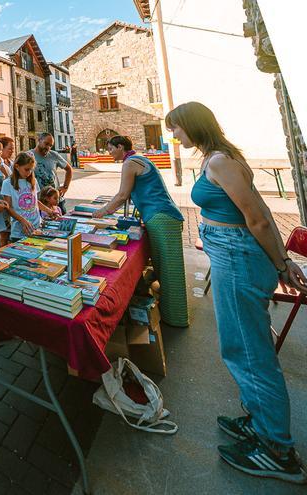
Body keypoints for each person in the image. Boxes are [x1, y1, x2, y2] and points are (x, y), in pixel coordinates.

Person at [167, 101, 307, 484]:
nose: (173, 135)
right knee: (243, 344)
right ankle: (260, 421)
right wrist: (282, 260)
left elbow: (258, 216)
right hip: (232, 252)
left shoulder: (218, 162)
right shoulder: (217, 157)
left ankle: (278, 450)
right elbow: (256, 210)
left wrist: (282, 264)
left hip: (237, 255)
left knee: (248, 351)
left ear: (193, 126)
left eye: (176, 128)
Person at [92, 135, 189, 327]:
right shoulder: (139, 159)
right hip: (162, 216)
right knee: (164, 267)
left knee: (169, 270)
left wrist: (102, 212)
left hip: (160, 216)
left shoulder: (130, 163)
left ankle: (176, 318)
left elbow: (122, 194)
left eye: (111, 149)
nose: (109, 153)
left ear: (120, 147)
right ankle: (170, 313)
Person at [2, 152, 56, 240]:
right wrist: (22, 220)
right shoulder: (7, 183)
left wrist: (49, 211)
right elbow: (8, 208)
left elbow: (35, 202)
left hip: (37, 227)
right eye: (26, 169)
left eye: (31, 170)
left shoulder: (32, 180)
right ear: (17, 166)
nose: (29, 173)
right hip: (19, 231)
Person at [29, 133, 73, 213]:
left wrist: (65, 187)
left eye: (50, 145)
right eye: (46, 144)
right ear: (39, 140)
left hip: (55, 202)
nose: (48, 147)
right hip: (38, 201)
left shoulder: (54, 155)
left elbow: (69, 169)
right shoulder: (28, 155)